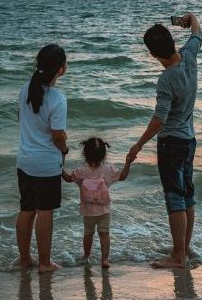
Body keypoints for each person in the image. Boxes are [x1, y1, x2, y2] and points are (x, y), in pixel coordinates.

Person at [127, 13, 202, 269]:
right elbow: (196, 32)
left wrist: (138, 145)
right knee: (187, 196)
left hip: (171, 143)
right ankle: (183, 248)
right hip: (190, 140)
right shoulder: (190, 56)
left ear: (152, 54)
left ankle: (178, 256)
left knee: (175, 199)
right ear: (172, 41)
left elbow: (160, 118)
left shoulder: (166, 79)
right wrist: (187, 18)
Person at [15, 44, 69, 272]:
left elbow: (22, 119)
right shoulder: (57, 98)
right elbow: (57, 136)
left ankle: (25, 258)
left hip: (25, 160)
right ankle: (45, 263)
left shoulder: (25, 89)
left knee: (27, 210)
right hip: (46, 164)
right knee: (45, 212)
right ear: (60, 69)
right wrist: (65, 149)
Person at [62, 137, 131, 268]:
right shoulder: (108, 169)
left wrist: (59, 162)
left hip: (87, 212)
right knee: (104, 234)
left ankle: (86, 256)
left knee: (88, 234)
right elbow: (122, 176)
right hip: (104, 211)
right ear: (104, 155)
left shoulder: (81, 171)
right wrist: (128, 162)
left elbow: (67, 178)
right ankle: (104, 259)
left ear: (85, 154)